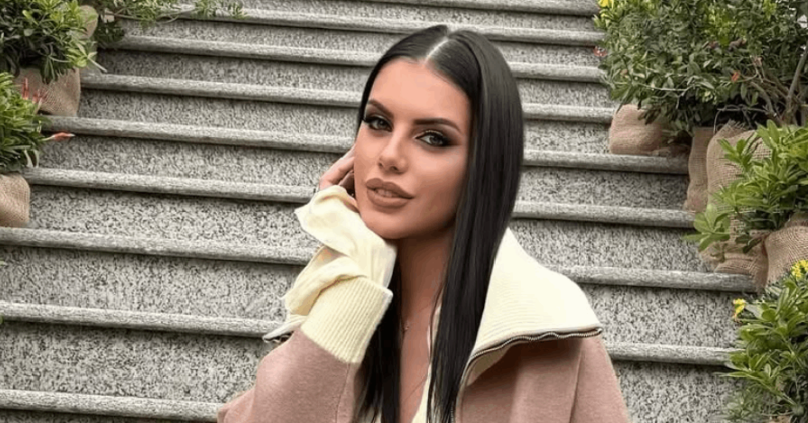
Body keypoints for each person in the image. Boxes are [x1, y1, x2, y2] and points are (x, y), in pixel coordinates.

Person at [217, 24, 630, 423]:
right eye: (378, 123)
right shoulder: (341, 298)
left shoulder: (551, 326)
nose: (390, 156)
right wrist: (355, 267)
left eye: (433, 137)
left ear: (484, 164)